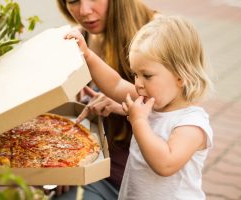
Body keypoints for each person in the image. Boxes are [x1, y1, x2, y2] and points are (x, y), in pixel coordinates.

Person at [65, 15, 214, 200]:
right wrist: (87, 55)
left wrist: (139, 120)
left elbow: (165, 164)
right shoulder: (152, 100)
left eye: (147, 75)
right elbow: (116, 84)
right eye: (136, 74)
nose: (138, 84)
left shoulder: (192, 124)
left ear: (180, 76)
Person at [52, 0, 157, 199]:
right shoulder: (79, 39)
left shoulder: (159, 32)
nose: (84, 11)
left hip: (143, 182)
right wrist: (67, 163)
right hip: (93, 171)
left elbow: (181, 112)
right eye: (73, 0)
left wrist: (125, 106)